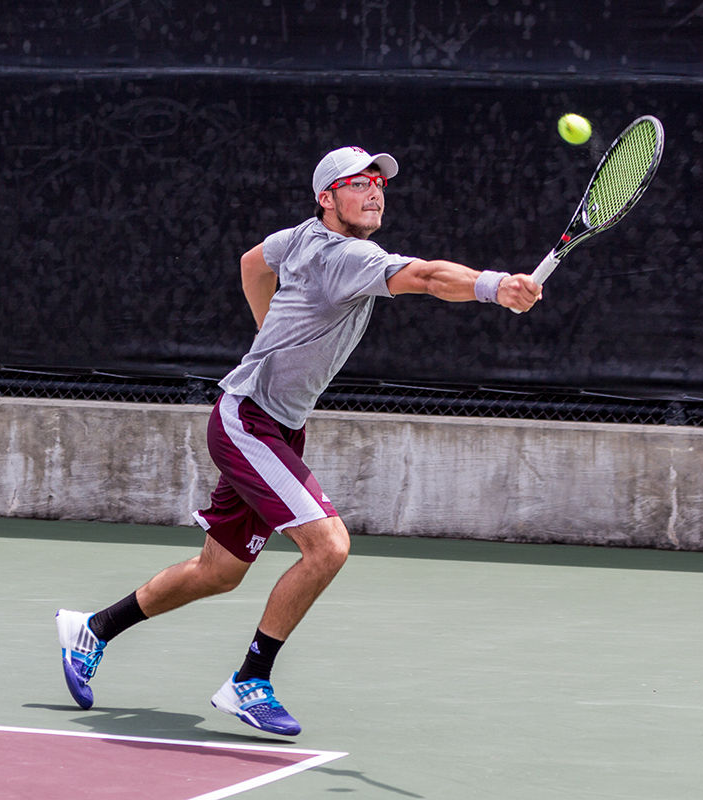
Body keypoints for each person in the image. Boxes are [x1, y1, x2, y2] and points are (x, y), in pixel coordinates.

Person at [56, 145, 542, 737]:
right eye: (358, 183)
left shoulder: (299, 237)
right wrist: (494, 287)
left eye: (379, 184)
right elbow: (427, 277)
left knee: (220, 571)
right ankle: (249, 680)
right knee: (329, 546)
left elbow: (252, 263)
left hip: (277, 423)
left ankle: (93, 629)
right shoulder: (350, 257)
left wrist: (269, 333)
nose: (374, 192)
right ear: (327, 197)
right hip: (247, 421)